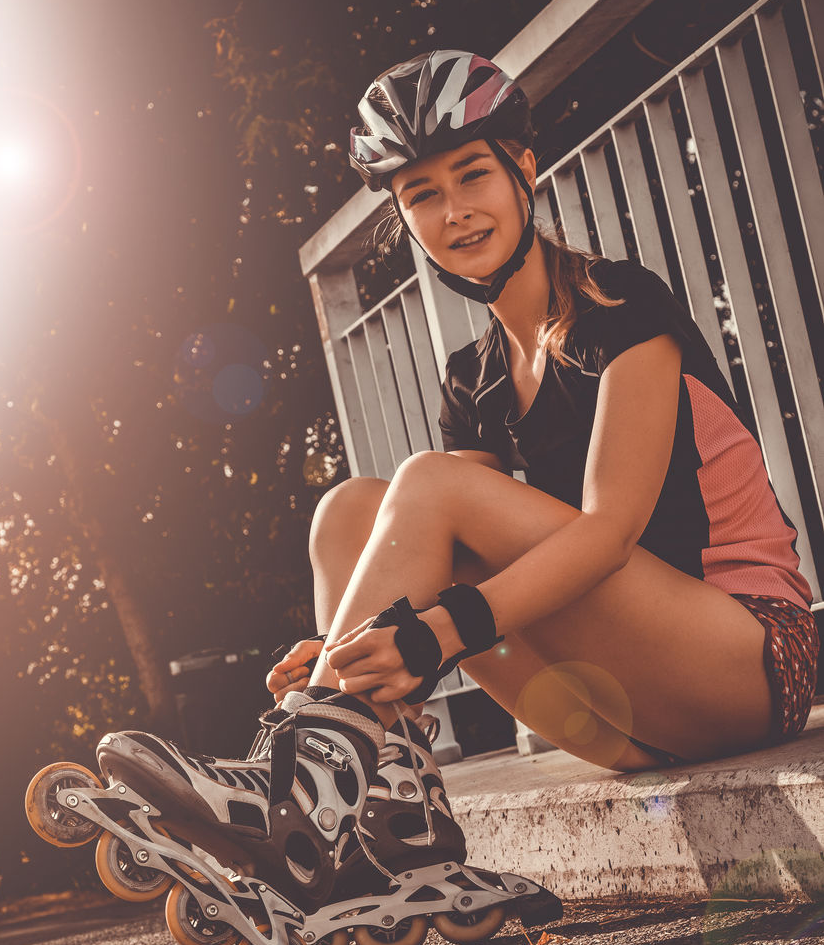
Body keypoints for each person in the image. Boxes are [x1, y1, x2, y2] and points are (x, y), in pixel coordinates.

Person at [268, 48, 818, 773]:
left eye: (473, 174)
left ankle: (306, 766)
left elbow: (608, 531)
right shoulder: (472, 378)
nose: (455, 210)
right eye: (423, 196)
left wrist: (437, 632)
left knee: (429, 482)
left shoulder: (619, 305)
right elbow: (439, 545)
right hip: (621, 716)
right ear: (404, 220)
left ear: (522, 169)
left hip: (749, 665)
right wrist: (346, 646)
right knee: (350, 509)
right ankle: (365, 783)